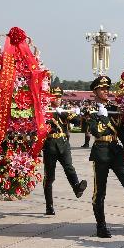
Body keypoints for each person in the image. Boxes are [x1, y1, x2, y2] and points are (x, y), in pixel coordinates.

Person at [87, 75, 124, 238]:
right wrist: (102, 116)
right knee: (100, 191)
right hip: (100, 151)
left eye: (107, 88)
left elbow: (121, 133)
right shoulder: (91, 109)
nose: (106, 91)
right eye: (102, 89)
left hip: (115, 150)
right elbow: (96, 130)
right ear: (95, 91)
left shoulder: (115, 109)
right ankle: (101, 226)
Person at [42, 86, 87, 215]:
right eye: (55, 97)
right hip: (50, 144)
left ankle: (77, 187)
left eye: (59, 97)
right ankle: (49, 205)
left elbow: (78, 122)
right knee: (49, 177)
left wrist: (65, 113)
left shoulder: (64, 110)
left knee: (69, 167)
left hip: (63, 142)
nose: (57, 99)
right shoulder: (45, 111)